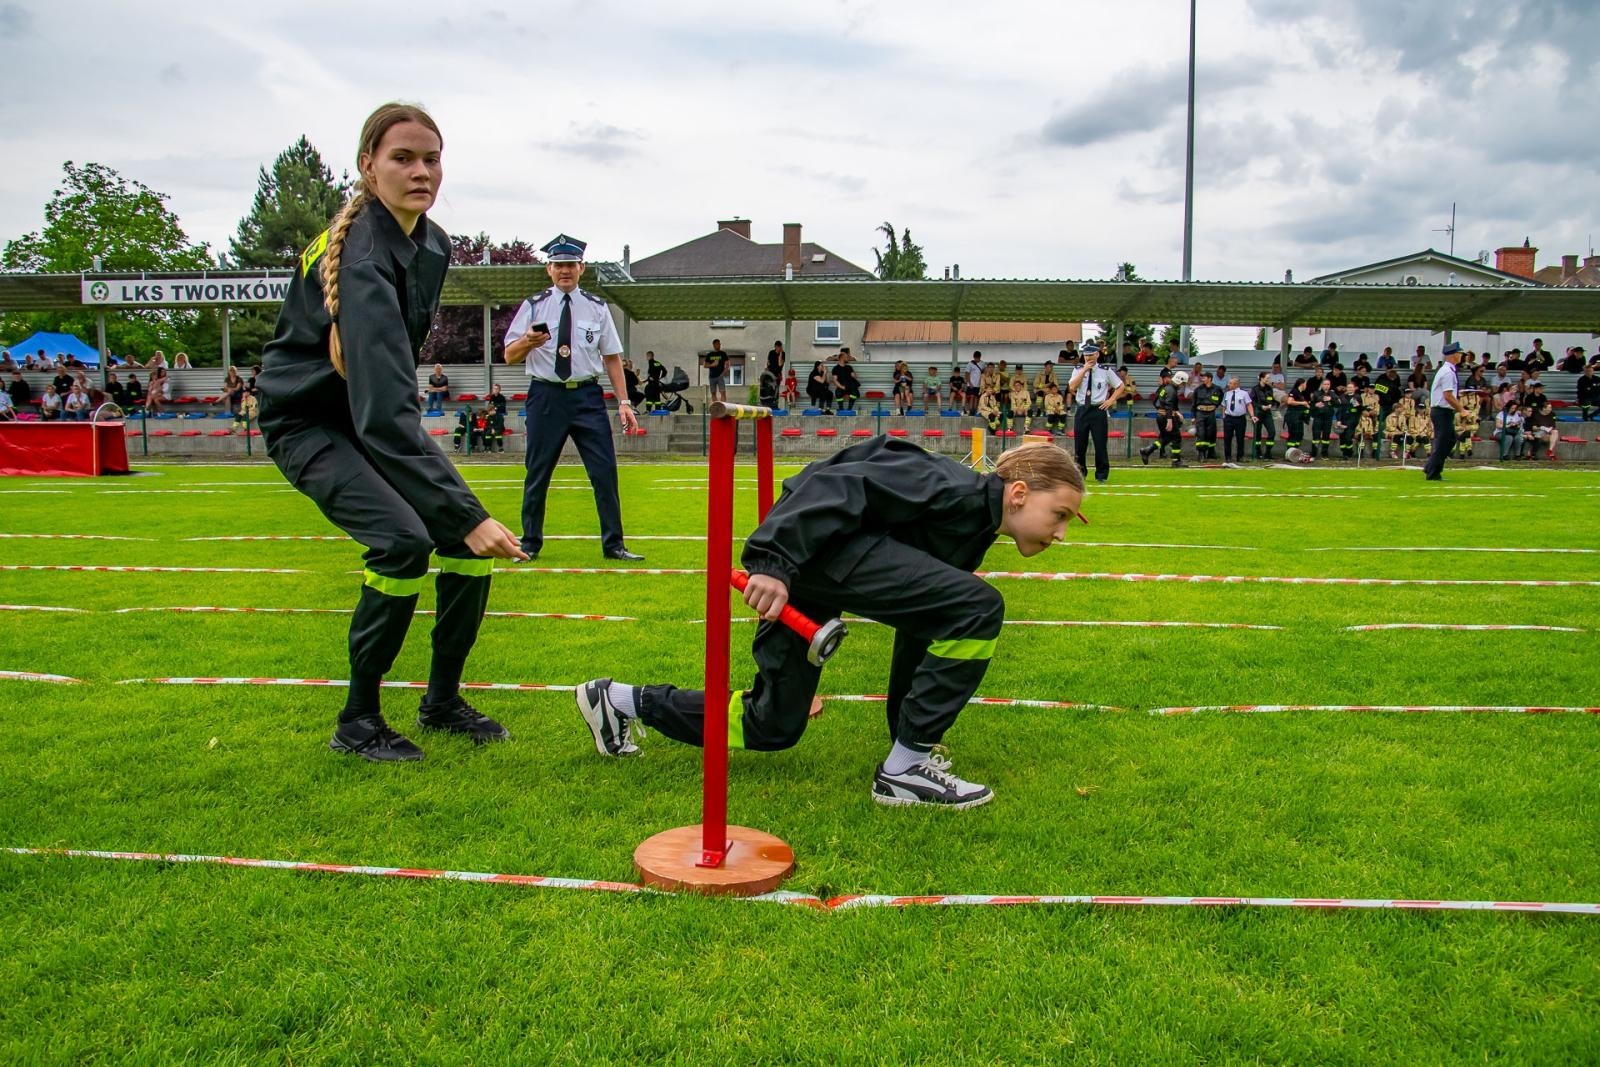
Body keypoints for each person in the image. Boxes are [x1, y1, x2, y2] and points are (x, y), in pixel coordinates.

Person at [575, 438, 1087, 809]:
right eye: (1059, 514)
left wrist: (908, 734)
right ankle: (902, 774)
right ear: (1018, 493)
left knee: (773, 724)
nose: (1060, 532)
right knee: (979, 606)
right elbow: (830, 483)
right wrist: (772, 561)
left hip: (817, 570)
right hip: (811, 555)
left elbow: (922, 628)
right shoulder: (947, 485)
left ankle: (618, 700)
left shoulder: (973, 527)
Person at [256, 101, 525, 762]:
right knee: (406, 540)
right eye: (402, 157)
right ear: (367, 166)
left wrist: (461, 517)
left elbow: (384, 387)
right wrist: (462, 511)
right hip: (309, 422)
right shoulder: (361, 253)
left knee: (463, 542)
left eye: (431, 158)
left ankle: (441, 701)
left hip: (366, 415)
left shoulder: (432, 243)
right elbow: (382, 413)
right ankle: (358, 720)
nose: (420, 171)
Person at [503, 233, 642, 561]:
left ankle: (614, 545)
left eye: (570, 265)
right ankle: (530, 544)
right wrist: (528, 342)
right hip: (546, 394)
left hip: (586, 396)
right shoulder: (534, 305)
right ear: (548, 269)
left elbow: (611, 357)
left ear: (582, 268)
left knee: (604, 471)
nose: (564, 270)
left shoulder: (596, 308)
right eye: (558, 265)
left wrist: (624, 402)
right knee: (537, 471)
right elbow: (509, 354)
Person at [1067, 342, 1127, 483]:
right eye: (1086, 355)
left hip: (1098, 409)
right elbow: (1072, 387)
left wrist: (1110, 400)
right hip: (1082, 409)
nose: (1089, 358)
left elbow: (1120, 386)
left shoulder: (1105, 370)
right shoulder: (1078, 369)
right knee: (1080, 445)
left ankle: (1101, 475)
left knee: (1100, 444)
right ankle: (1080, 474)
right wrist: (1084, 370)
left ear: (1097, 354)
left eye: (1092, 355)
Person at [1422, 342, 1466, 480]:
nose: (1461, 356)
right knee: (1444, 441)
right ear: (1454, 354)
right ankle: (1432, 471)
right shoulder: (1448, 372)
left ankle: (1431, 467)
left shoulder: (1448, 370)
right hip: (1442, 411)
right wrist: (1461, 409)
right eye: (1459, 353)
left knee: (1449, 439)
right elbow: (1447, 395)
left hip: (1442, 411)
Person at [1139, 368, 1182, 466]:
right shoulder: (1171, 390)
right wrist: (1170, 419)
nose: (1182, 386)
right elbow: (1168, 405)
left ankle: (1147, 451)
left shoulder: (1165, 389)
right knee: (1176, 437)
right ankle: (1176, 461)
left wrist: (1175, 412)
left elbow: (1158, 402)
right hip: (1166, 416)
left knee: (1165, 438)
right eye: (1183, 383)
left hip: (1161, 415)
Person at [1189, 371, 1222, 463]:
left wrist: (1215, 406)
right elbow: (1193, 404)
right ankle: (1201, 454)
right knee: (1201, 434)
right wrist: (1193, 416)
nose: (1202, 379)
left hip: (1211, 413)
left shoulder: (1217, 389)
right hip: (1200, 413)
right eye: (1202, 377)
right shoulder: (1198, 389)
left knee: (1211, 433)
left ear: (1210, 378)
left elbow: (1220, 399)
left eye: (1204, 377)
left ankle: (1211, 452)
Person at [1221, 375, 1253, 463]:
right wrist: (1224, 416)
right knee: (1227, 438)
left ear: (1236, 384)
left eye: (1230, 383)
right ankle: (1228, 457)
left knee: (1240, 438)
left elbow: (1249, 404)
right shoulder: (1226, 394)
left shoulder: (1244, 393)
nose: (1228, 385)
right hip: (1229, 418)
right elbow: (1224, 405)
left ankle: (1240, 456)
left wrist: (1252, 415)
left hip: (1240, 418)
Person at [1249, 371, 1278, 460]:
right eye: (1267, 378)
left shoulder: (1269, 388)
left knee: (1272, 432)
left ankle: (1268, 453)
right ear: (1261, 378)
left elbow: (1271, 400)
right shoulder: (1255, 389)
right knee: (1257, 434)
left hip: (1267, 413)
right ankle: (1257, 453)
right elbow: (1251, 402)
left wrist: (1271, 405)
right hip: (1258, 413)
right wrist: (1261, 406)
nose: (1268, 380)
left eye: (1269, 378)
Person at [1308, 378, 1336, 459]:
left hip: (1328, 418)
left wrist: (1331, 399)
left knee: (1326, 437)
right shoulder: (1316, 394)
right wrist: (1316, 405)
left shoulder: (1333, 394)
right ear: (1322, 385)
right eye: (1325, 384)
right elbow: (1310, 406)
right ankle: (1314, 453)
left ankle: (1325, 454)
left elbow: (1339, 403)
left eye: (1328, 384)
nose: (1326, 386)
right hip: (1318, 418)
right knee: (1316, 436)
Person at [702, 339, 729, 404]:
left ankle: (723, 407)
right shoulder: (710, 354)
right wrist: (712, 365)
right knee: (713, 393)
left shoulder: (723, 354)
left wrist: (723, 373)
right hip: (712, 377)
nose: (719, 345)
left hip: (720, 376)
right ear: (714, 345)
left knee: (723, 392)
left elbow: (727, 364)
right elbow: (705, 365)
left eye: (719, 344)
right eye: (717, 344)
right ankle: (716, 407)